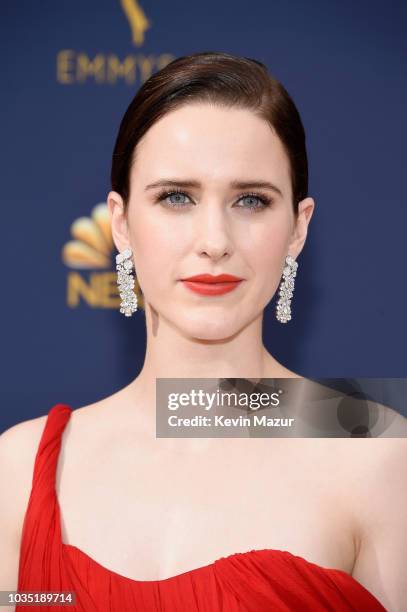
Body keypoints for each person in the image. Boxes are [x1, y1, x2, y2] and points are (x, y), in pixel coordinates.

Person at [0, 51, 405, 611]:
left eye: (250, 200)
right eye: (176, 197)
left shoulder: (379, 458)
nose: (214, 239)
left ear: (297, 228)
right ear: (121, 223)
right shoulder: (19, 472)